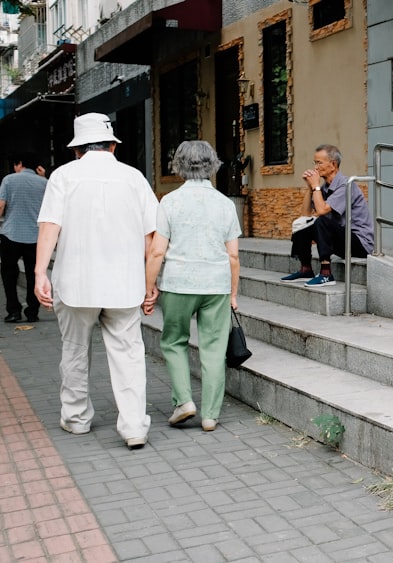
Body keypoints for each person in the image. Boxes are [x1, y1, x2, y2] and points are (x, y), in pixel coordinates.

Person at [34, 113, 158, 450]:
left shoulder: (63, 177)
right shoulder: (133, 178)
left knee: (74, 350)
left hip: (76, 284)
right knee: (128, 354)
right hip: (125, 284)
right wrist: (150, 283)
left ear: (77, 150)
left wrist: (39, 272)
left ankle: (76, 418)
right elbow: (152, 237)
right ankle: (133, 426)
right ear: (113, 145)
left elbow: (49, 226)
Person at [143, 140, 241, 433]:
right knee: (213, 348)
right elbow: (233, 255)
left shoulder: (170, 202)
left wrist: (149, 288)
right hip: (216, 285)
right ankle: (210, 415)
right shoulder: (225, 204)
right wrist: (233, 293)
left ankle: (184, 401)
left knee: (174, 342)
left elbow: (157, 252)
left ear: (179, 166)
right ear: (212, 165)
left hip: (178, 283)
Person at [281, 144, 374, 286]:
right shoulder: (323, 188)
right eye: (314, 163)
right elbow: (305, 214)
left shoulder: (346, 185)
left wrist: (316, 186)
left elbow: (321, 211)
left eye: (319, 163)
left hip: (360, 243)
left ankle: (326, 274)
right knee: (301, 223)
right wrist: (309, 187)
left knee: (321, 220)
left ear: (333, 164)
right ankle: (306, 268)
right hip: (342, 239)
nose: (315, 167)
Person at [0, 152, 46, 323]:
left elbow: (1, 206)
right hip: (35, 236)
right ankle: (32, 312)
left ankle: (13, 311)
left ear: (19, 164)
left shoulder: (9, 180)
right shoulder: (44, 183)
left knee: (8, 274)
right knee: (34, 274)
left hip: (11, 234)